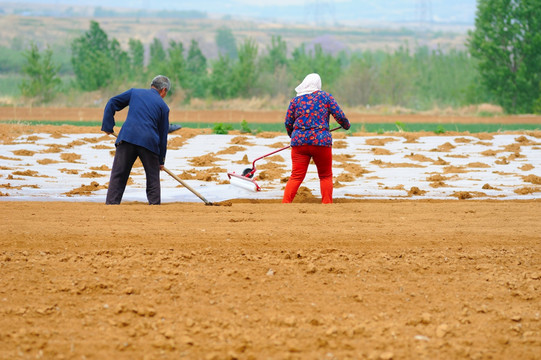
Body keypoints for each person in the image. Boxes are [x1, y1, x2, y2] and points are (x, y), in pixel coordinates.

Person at [101, 75, 171, 205]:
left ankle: (111, 203)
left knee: (118, 174)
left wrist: (107, 126)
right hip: (149, 142)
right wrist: (160, 160)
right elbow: (163, 136)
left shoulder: (135, 92)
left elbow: (112, 102)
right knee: (153, 177)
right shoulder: (164, 107)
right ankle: (154, 205)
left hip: (127, 137)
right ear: (163, 90)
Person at [282, 73, 350, 204]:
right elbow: (340, 116)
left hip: (299, 144)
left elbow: (288, 123)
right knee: (325, 176)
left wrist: (295, 137)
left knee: (296, 176)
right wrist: (346, 125)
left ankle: (285, 204)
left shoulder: (295, 101)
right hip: (321, 142)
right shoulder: (325, 97)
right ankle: (327, 204)